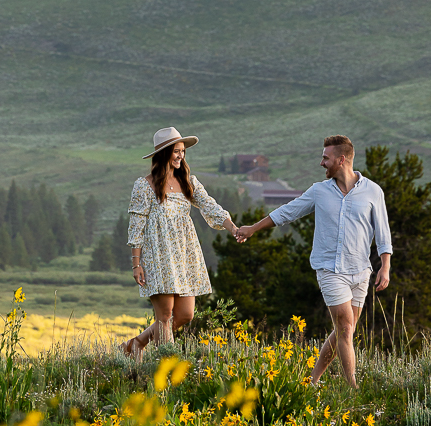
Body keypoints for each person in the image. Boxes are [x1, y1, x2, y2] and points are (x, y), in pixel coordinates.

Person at [235, 134, 391, 387]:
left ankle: (312, 380)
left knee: (345, 331)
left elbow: (383, 231)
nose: (322, 163)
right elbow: (287, 211)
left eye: (325, 158)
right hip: (329, 269)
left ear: (341, 160)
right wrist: (253, 228)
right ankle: (353, 388)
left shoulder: (373, 191)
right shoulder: (319, 191)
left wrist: (385, 266)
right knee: (344, 328)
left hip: (361, 271)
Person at [122, 127, 239, 358]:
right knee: (164, 317)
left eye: (183, 152)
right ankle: (167, 366)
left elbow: (210, 207)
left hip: (185, 255)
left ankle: (135, 344)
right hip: (158, 256)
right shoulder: (144, 186)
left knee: (185, 315)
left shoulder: (188, 181)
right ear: (164, 153)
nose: (180, 156)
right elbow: (136, 227)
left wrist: (233, 228)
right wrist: (137, 264)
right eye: (176, 151)